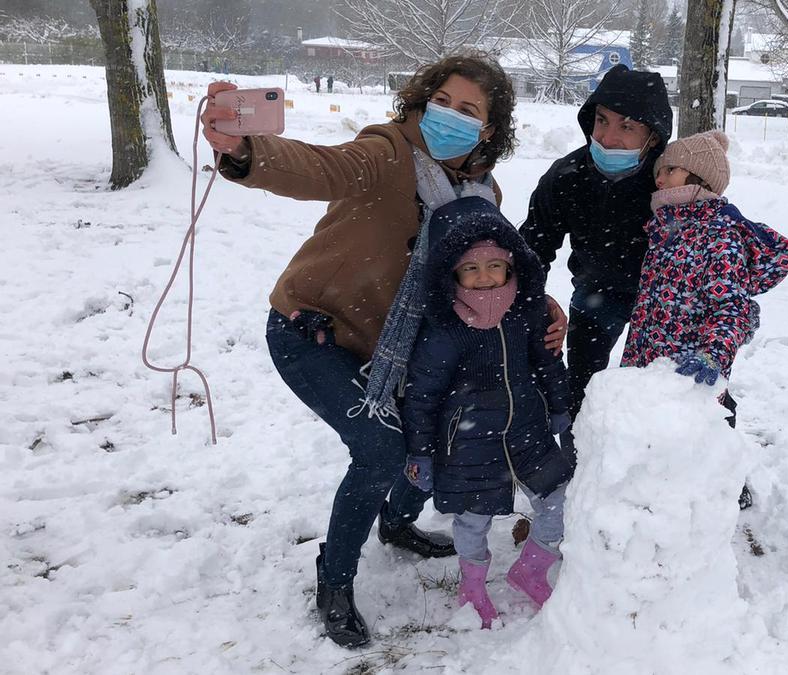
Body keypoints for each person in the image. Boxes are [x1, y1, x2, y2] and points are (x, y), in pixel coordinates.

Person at [200, 52, 564, 648]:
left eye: (467, 109)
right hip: (310, 333)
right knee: (382, 450)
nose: (447, 115)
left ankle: (396, 524)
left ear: (490, 128)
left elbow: (493, 259)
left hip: (393, 349)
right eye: (440, 101)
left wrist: (537, 304)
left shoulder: (481, 189)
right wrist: (246, 153)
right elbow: (322, 168)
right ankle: (334, 580)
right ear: (420, 100)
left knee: (440, 427)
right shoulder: (387, 153)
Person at [401, 200, 573, 629]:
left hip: (527, 429)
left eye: (495, 265)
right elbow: (422, 394)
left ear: (512, 267)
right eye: (471, 269)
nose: (484, 277)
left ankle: (531, 569)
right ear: (452, 275)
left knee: (558, 502)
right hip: (468, 443)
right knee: (473, 518)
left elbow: (548, 362)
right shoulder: (445, 329)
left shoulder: (527, 313)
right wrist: (420, 452)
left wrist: (561, 408)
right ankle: (472, 584)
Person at [620, 130, 788, 507]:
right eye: (660, 168)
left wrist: (713, 356)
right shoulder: (665, 227)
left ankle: (726, 483)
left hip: (695, 362)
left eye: (670, 169)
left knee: (711, 417)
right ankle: (658, 481)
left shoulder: (720, 235)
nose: (659, 176)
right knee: (657, 422)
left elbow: (731, 308)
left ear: (699, 178)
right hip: (647, 351)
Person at [519, 64, 673, 430]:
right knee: (581, 391)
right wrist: (532, 303)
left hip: (661, 299)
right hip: (596, 293)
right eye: (602, 120)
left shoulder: (670, 184)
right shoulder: (567, 175)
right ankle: (581, 469)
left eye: (627, 126)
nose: (607, 137)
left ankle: (721, 472)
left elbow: (709, 243)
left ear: (653, 136)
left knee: (682, 387)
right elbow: (532, 248)